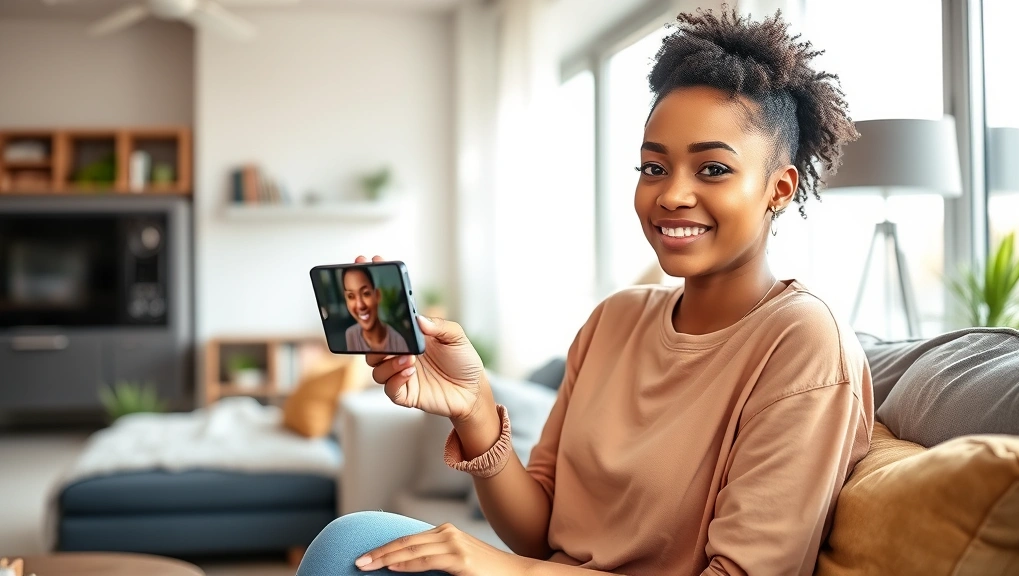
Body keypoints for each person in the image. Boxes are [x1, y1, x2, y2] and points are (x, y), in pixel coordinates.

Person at [299, 8, 871, 576]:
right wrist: (473, 408)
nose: (671, 195)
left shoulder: (803, 342)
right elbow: (538, 532)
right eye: (653, 168)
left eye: (713, 169)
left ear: (779, 188)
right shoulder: (614, 319)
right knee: (350, 543)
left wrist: (512, 571)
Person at [342, 266, 410, 354]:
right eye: (351, 296)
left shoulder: (398, 342)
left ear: (377, 295)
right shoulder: (351, 334)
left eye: (366, 293)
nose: (360, 305)